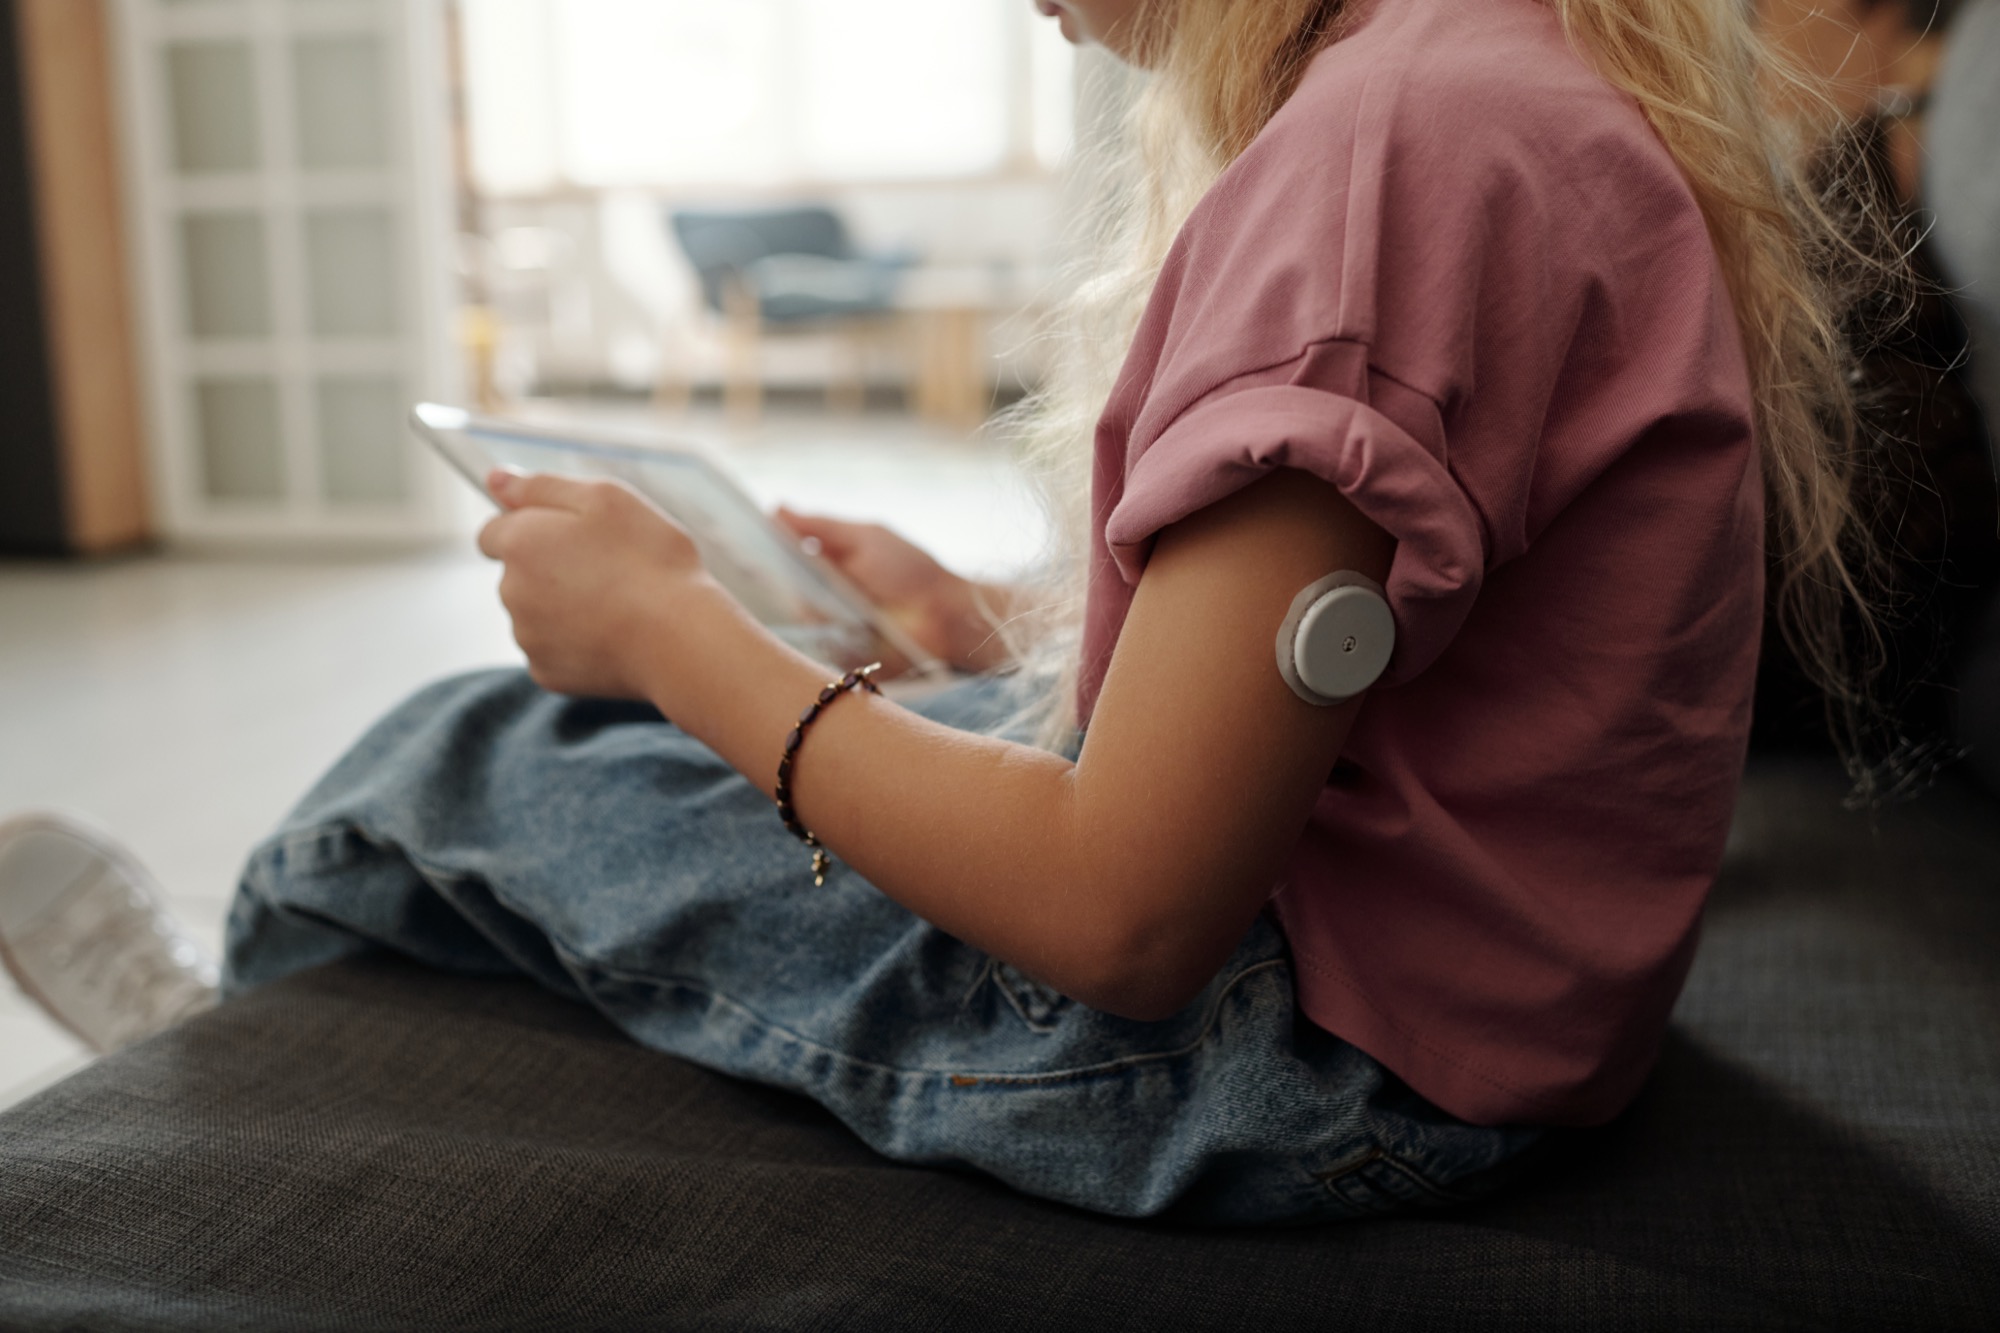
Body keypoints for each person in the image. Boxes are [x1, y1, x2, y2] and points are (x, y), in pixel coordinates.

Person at [0, 0, 1889, 1225]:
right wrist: (980, 631)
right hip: (1494, 987)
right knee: (735, 716)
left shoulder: (1399, 150)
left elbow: (1128, 915)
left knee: (463, 756)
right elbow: (1426, 654)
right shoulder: (1502, 77)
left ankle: (200, 1034)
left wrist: (674, 632)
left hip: (1314, 1066)